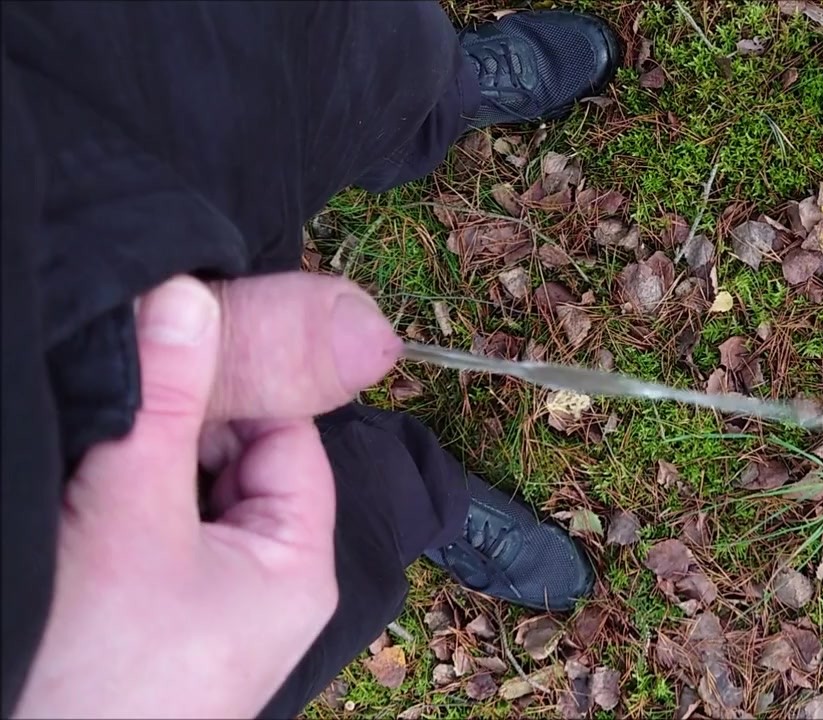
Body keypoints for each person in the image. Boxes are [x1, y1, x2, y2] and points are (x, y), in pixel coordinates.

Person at [0, 3, 621, 717]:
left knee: (335, 60)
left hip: (60, 62)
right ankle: (420, 502)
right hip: (68, 607)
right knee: (323, 532)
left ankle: (436, 99)